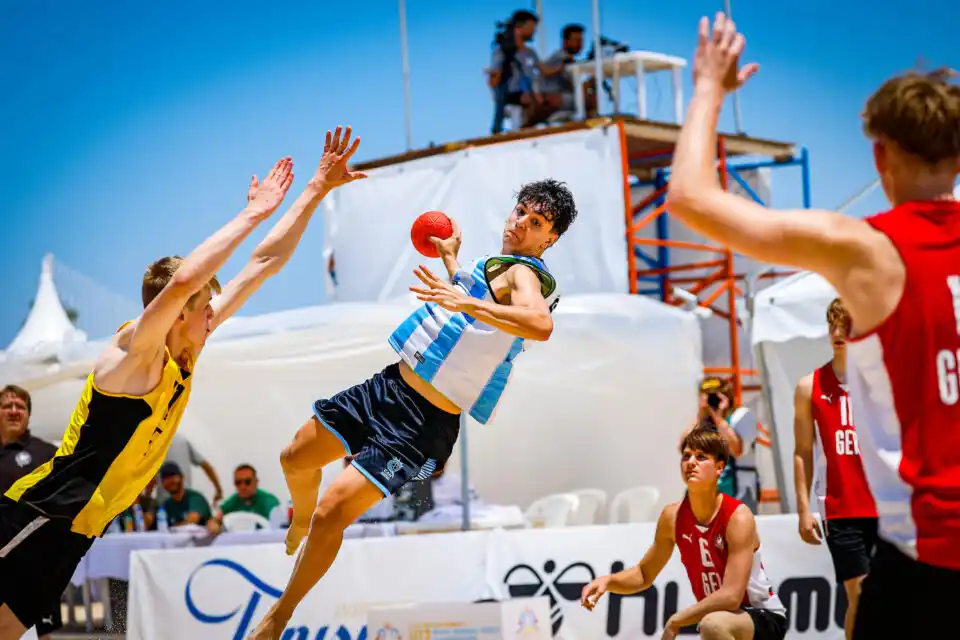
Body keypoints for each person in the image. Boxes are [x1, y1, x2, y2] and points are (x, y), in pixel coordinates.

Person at [0, 126, 367, 639]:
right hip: (42, 509)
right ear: (175, 314)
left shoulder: (187, 351)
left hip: (80, 528)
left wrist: (314, 189)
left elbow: (262, 264)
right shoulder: (133, 354)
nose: (213, 314)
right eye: (204, 308)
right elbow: (184, 282)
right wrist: (253, 213)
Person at [664, 13, 960, 638]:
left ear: (880, 154)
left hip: (931, 555)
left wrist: (709, 88)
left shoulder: (869, 250)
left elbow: (689, 196)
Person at [248, 179, 578, 638]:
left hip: (421, 426)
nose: (521, 222)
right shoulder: (496, 266)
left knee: (331, 514)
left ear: (550, 239)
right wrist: (453, 263)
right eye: (521, 211)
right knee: (294, 458)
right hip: (388, 387)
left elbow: (540, 324)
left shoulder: (526, 275)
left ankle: (279, 615)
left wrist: (463, 298)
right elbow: (473, 314)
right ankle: (299, 516)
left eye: (536, 222)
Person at [580, 428, 787, 639]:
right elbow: (644, 574)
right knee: (713, 622)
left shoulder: (738, 516)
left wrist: (677, 620)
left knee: (713, 624)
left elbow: (732, 596)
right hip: (724, 617)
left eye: (701, 457)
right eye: (686, 456)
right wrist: (608, 581)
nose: (691, 462)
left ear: (719, 467)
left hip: (762, 616)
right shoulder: (672, 516)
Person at [793, 298, 877, 639]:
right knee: (861, 596)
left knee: (890, 600)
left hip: (886, 506)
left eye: (846, 325)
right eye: (832, 325)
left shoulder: (883, 382)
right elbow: (802, 451)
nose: (838, 332)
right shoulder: (809, 386)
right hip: (841, 509)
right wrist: (803, 510)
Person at [0, 386, 62, 639]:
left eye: (21, 406)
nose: (14, 411)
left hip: (36, 563)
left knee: (42, 633)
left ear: (29, 414)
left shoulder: (47, 454)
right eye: (7, 406)